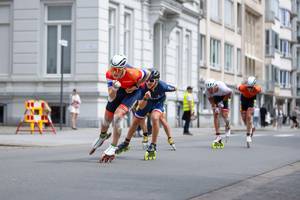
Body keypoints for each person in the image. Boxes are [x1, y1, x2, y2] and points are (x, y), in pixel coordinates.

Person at [89, 54, 150, 163]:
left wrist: (136, 86)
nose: (115, 72)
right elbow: (111, 97)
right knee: (106, 120)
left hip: (133, 93)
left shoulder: (133, 73)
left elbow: (148, 73)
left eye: (118, 69)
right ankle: (103, 136)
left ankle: (113, 146)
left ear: (124, 68)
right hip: (119, 90)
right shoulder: (109, 74)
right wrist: (115, 88)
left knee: (117, 117)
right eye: (113, 68)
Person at [115, 69, 177, 160]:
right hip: (146, 102)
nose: (148, 82)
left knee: (155, 118)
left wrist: (172, 90)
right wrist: (145, 98)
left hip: (158, 103)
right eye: (147, 80)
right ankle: (126, 143)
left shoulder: (162, 86)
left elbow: (174, 88)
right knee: (135, 121)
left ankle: (153, 145)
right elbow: (141, 106)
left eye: (151, 80)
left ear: (156, 80)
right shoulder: (143, 88)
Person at [205, 79, 232, 149]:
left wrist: (222, 102)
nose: (210, 91)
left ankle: (228, 127)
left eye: (211, 89)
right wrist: (215, 106)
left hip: (224, 96)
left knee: (224, 115)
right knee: (216, 114)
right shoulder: (207, 91)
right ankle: (218, 136)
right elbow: (211, 100)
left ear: (215, 86)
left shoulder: (222, 88)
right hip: (215, 98)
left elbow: (230, 93)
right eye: (209, 89)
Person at [238, 76, 262, 148]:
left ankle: (248, 135)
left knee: (248, 116)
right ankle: (252, 127)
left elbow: (260, 90)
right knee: (244, 118)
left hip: (251, 100)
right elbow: (238, 86)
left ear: (254, 86)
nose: (249, 89)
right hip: (243, 100)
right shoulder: (243, 87)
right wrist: (242, 83)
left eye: (251, 87)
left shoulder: (257, 89)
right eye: (248, 87)